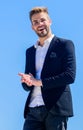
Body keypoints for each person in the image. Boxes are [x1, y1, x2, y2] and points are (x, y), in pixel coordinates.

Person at [18, 6, 76, 130]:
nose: (40, 24)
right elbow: (28, 85)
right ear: (32, 27)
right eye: (35, 22)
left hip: (56, 108)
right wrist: (26, 82)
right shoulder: (30, 51)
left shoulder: (65, 45)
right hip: (33, 110)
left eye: (42, 20)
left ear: (49, 21)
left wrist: (39, 82)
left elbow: (69, 76)